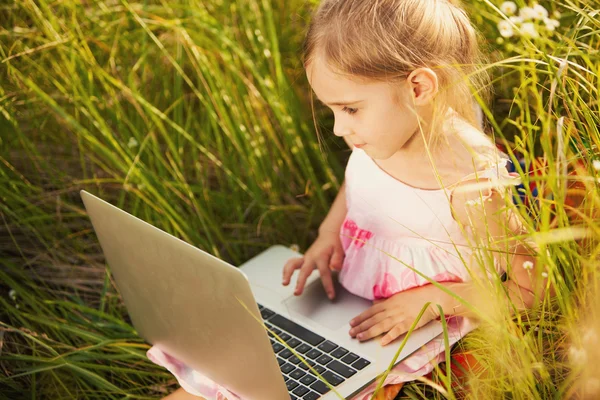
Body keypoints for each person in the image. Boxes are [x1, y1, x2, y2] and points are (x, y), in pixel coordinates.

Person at [151, 0, 550, 398]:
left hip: (405, 325)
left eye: (350, 109)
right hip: (347, 302)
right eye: (333, 110)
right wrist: (328, 235)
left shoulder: (467, 183)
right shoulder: (380, 138)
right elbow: (356, 184)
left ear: (418, 88)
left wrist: (435, 301)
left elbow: (532, 287)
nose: (340, 128)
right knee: (232, 369)